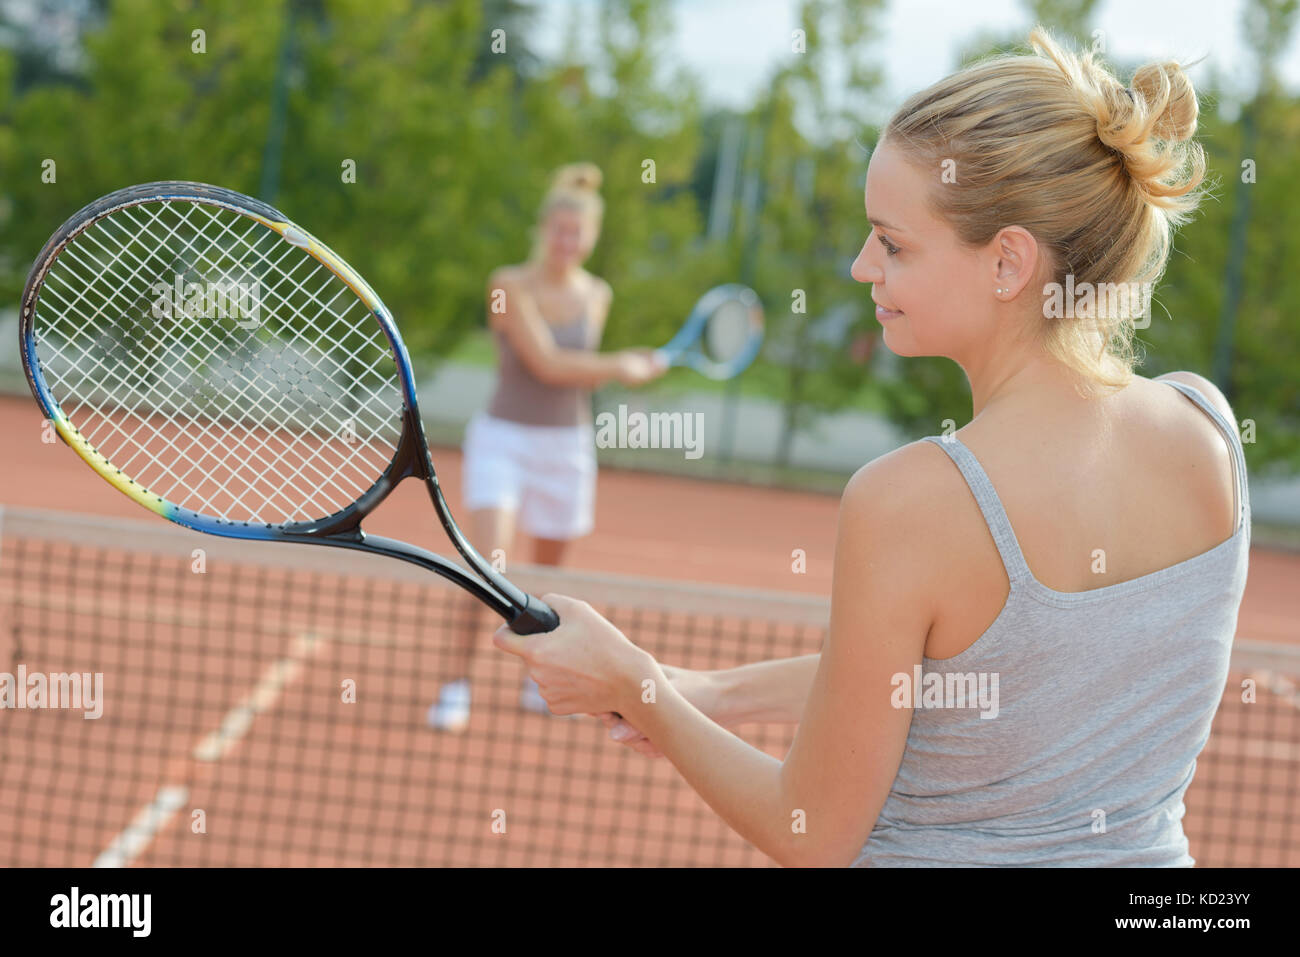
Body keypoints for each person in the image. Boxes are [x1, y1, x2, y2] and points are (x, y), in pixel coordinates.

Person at [494, 28, 1250, 866]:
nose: (862, 267)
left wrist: (637, 689)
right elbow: (989, 677)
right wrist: (712, 691)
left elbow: (808, 831)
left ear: (1007, 263)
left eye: (892, 242)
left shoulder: (914, 498)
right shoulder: (1207, 428)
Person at [428, 162, 667, 731]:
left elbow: (575, 374)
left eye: (577, 232)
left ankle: (540, 685)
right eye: (559, 229)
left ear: (591, 236)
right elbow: (548, 364)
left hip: (567, 447)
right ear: (543, 229)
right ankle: (455, 683)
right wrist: (623, 365)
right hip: (503, 441)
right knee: (488, 568)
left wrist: (616, 369)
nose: (567, 241)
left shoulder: (597, 295)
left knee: (553, 586)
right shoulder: (507, 285)